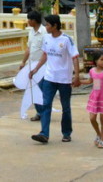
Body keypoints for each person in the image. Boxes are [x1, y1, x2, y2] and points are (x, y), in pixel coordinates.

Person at [29, 14, 81, 144]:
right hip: (49, 78)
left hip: (64, 79)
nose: (45, 27)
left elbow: (75, 57)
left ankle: (66, 133)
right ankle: (44, 133)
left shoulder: (67, 40)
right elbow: (45, 55)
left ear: (55, 26)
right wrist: (36, 69)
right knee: (46, 105)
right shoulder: (46, 38)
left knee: (66, 107)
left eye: (47, 24)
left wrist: (76, 76)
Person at [80, 50, 103, 148]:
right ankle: (98, 134)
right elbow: (92, 82)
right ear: (96, 61)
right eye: (101, 59)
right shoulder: (92, 71)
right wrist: (79, 82)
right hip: (95, 98)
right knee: (92, 118)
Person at [18, 9, 47, 121]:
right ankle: (39, 112)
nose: (28, 21)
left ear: (34, 20)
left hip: (42, 66)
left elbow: (46, 51)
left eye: (29, 19)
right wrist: (23, 62)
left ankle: (43, 111)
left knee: (40, 89)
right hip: (31, 65)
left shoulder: (44, 32)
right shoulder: (31, 32)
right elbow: (29, 49)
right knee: (33, 89)